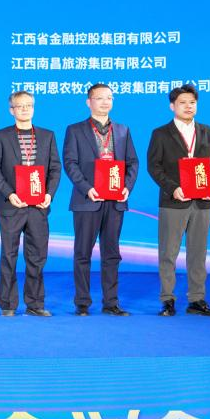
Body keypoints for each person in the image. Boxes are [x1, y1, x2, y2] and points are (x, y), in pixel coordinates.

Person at [146, 83, 210, 317]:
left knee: (198, 253)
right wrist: (173, 189)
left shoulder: (207, 131)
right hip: (174, 201)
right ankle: (168, 300)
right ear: (172, 106)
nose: (188, 106)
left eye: (192, 102)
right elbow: (154, 166)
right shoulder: (161, 133)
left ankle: (197, 300)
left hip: (202, 202)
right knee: (168, 253)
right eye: (183, 103)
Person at [61, 83, 139, 316]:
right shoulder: (75, 130)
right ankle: (82, 303)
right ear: (89, 102)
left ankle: (111, 303)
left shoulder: (122, 130)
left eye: (109, 98)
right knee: (83, 253)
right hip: (88, 200)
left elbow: (132, 162)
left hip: (115, 201)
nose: (105, 102)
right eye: (100, 98)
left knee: (112, 254)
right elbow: (70, 163)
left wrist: (126, 188)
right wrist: (87, 189)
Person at [0, 91, 61, 317]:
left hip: (38, 206)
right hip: (11, 205)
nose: (25, 109)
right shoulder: (0, 136)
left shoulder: (47, 136)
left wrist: (49, 194)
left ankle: (35, 304)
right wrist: (9, 194)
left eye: (29, 105)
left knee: (37, 256)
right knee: (9, 255)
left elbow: (55, 169)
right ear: (12, 110)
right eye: (20, 106)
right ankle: (8, 305)